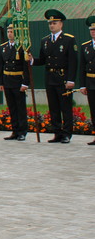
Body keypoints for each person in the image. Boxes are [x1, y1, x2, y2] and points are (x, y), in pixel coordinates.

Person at [30, 9, 78, 144]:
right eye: (50, 23)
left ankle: (67, 134)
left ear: (61, 24)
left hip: (63, 78)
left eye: (54, 23)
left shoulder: (69, 39)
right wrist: (32, 60)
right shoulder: (45, 41)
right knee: (54, 108)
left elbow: (73, 61)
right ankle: (57, 133)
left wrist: (71, 80)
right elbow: (43, 60)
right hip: (50, 78)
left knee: (65, 108)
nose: (52, 25)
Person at [0, 18, 29, 141]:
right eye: (8, 31)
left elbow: (26, 66)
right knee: (12, 107)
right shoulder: (3, 47)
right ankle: (15, 131)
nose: (9, 34)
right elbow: (0, 66)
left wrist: (25, 83)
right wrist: (0, 82)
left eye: (12, 31)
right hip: (7, 80)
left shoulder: (22, 46)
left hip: (18, 80)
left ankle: (22, 131)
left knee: (20, 107)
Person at [80, 15, 95, 145]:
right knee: (93, 110)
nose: (93, 32)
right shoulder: (85, 46)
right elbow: (82, 67)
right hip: (90, 82)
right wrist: (82, 85)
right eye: (91, 30)